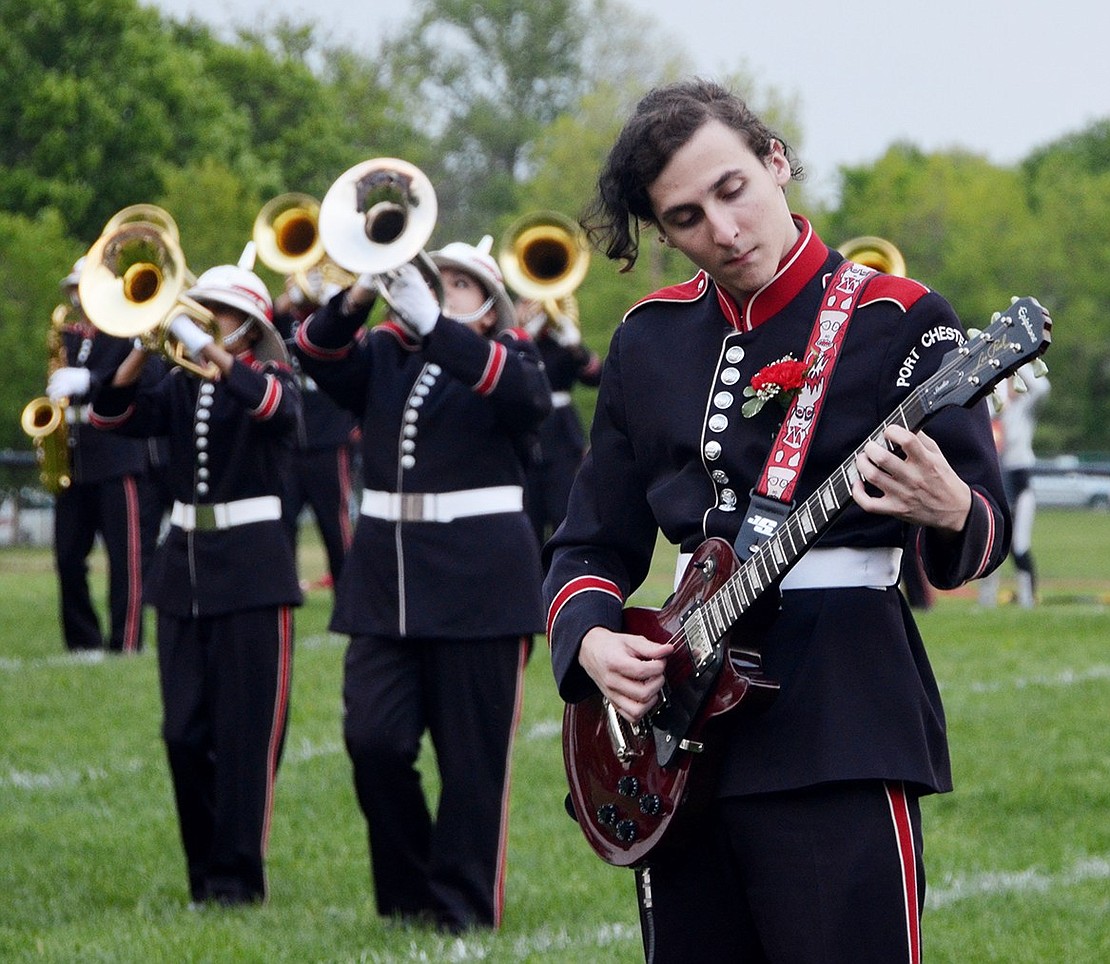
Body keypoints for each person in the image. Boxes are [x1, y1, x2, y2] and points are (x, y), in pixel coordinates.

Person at [543, 79, 1013, 963]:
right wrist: (594, 645)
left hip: (840, 718)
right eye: (685, 217)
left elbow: (980, 525)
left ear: (776, 161)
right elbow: (591, 540)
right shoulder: (648, 339)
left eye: (732, 190)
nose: (722, 231)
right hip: (676, 745)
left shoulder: (896, 319)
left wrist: (950, 509)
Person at [294, 238, 551, 932]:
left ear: (492, 308)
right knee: (373, 741)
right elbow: (312, 353)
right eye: (434, 280)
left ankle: (463, 910)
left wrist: (438, 329)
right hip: (386, 583)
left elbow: (526, 400)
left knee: (472, 765)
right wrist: (357, 294)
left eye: (460, 285)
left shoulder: (514, 357)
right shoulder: (383, 353)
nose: (440, 290)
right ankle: (409, 894)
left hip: (481, 584)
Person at [90, 258, 302, 906]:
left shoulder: (273, 375)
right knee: (182, 733)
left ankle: (237, 882)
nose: (209, 322)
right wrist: (139, 343)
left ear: (251, 325)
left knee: (245, 735)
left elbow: (272, 407)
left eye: (223, 313)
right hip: (182, 569)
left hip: (253, 571)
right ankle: (202, 875)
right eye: (203, 310)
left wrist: (208, 344)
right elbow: (108, 415)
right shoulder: (179, 383)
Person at [44, 258, 151, 654]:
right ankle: (81, 642)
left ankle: (126, 642)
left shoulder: (127, 333)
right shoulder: (70, 337)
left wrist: (91, 380)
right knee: (68, 556)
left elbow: (143, 382)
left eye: (82, 288)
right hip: (74, 457)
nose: (75, 297)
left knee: (126, 560)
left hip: (117, 453)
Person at [272, 276, 356, 593]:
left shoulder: (331, 319)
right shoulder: (281, 321)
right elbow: (260, 322)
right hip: (289, 443)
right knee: (283, 525)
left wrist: (325, 296)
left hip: (329, 441)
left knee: (335, 527)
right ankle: (285, 593)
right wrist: (288, 298)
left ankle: (348, 598)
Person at [515, 295, 603, 546]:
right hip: (527, 438)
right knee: (528, 521)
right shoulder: (517, 344)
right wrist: (524, 337)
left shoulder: (561, 344)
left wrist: (575, 345)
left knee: (563, 514)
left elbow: (596, 377)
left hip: (562, 440)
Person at [978, 361, 1051, 608]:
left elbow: (1041, 389)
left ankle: (1028, 600)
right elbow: (982, 410)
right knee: (994, 546)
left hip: (1021, 483)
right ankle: (986, 602)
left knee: (1019, 546)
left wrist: (1018, 363)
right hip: (999, 480)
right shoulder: (999, 411)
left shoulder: (1024, 410)